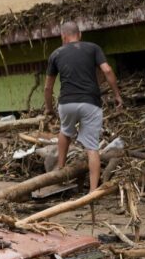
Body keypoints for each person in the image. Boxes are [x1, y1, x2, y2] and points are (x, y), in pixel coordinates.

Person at [44, 21, 123, 192]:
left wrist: (49, 108)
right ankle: (93, 191)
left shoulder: (56, 53)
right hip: (91, 102)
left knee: (65, 132)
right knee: (92, 147)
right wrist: (117, 94)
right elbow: (107, 70)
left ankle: (61, 169)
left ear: (63, 37)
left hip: (67, 103)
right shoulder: (93, 48)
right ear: (80, 35)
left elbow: (48, 87)